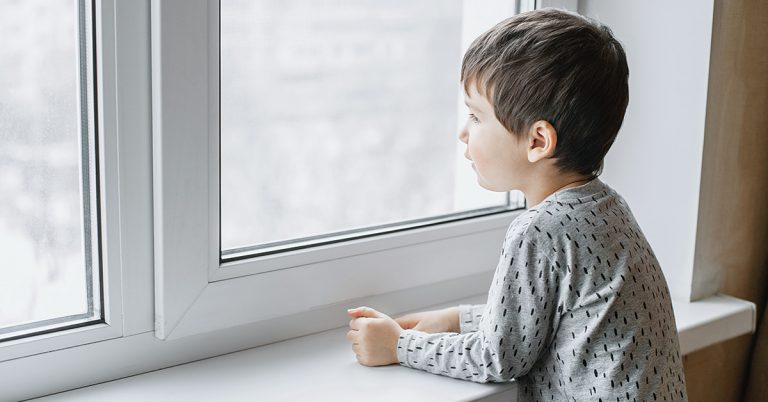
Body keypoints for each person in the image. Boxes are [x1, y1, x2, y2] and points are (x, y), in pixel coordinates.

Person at [345, 7, 688, 401]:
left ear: (538, 141)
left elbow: (499, 357)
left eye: (476, 117)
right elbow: (545, 316)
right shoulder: (607, 207)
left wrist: (398, 347)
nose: (462, 133)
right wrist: (457, 319)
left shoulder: (540, 229)